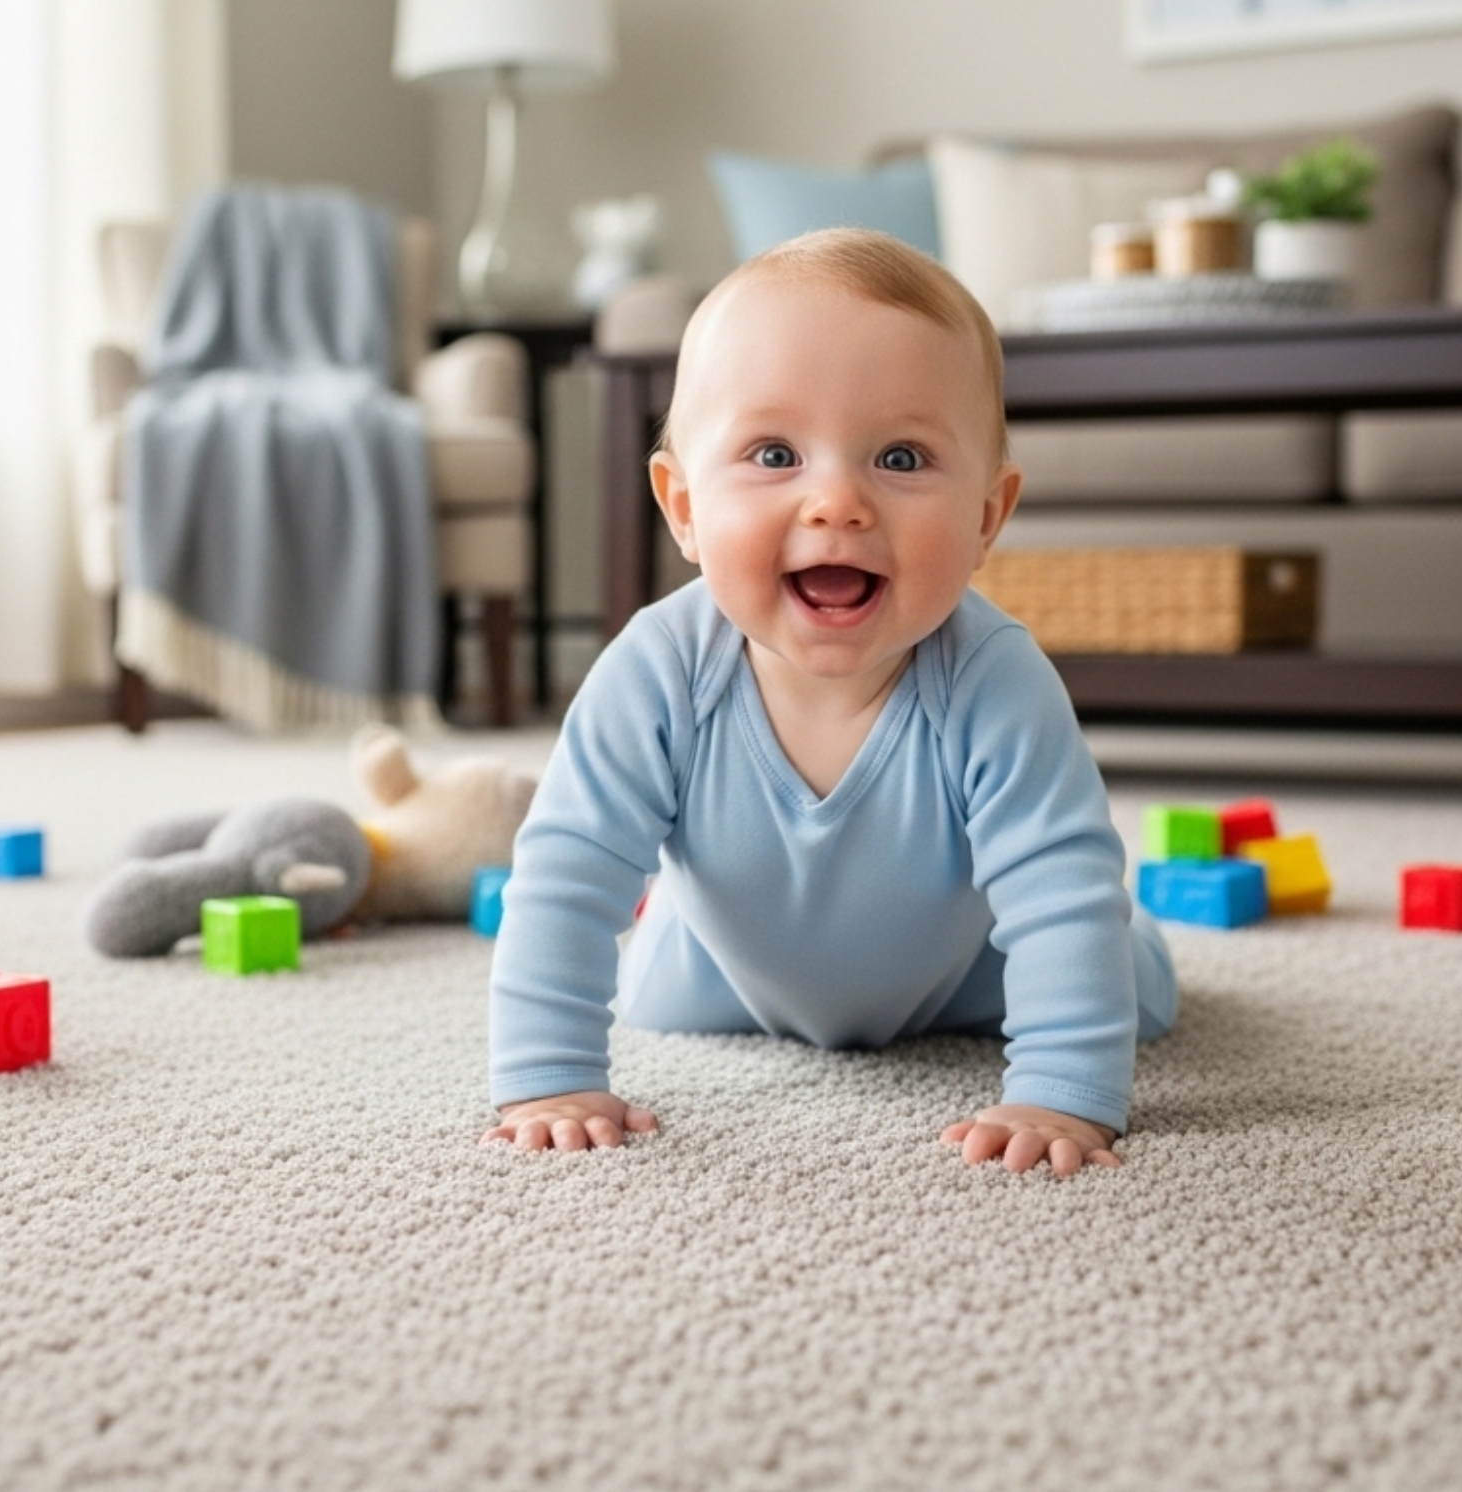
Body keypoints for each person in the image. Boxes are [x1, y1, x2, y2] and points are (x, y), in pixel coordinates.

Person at [483, 227, 1177, 1176]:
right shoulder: (655, 672)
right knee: (647, 977)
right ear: (683, 508)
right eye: (775, 453)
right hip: (717, 976)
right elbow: (566, 875)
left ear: (987, 516)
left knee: (1129, 983)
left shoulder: (995, 680)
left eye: (902, 458)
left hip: (970, 977)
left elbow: (1059, 891)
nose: (837, 502)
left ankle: (1135, 949)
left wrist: (1060, 1090)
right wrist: (549, 1076)